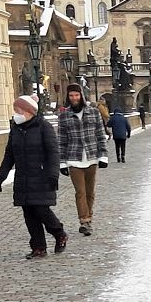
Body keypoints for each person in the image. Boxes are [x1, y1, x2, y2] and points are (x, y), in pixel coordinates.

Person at [0, 95, 68, 259]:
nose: (16, 113)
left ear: (29, 111)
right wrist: (2, 174)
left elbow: (53, 152)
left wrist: (52, 174)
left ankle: (59, 233)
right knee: (29, 213)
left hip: (41, 175)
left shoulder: (44, 127)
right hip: (23, 177)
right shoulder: (15, 128)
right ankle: (38, 247)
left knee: (41, 209)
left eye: (18, 110)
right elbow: (10, 154)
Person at [58, 83, 108, 236]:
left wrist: (103, 155)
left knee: (90, 192)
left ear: (81, 96)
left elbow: (100, 135)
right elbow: (61, 140)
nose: (74, 98)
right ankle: (84, 221)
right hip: (74, 158)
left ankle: (89, 217)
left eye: (76, 95)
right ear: (68, 97)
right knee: (80, 192)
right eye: (71, 96)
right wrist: (62, 162)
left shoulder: (93, 112)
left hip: (92, 157)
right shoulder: (64, 115)